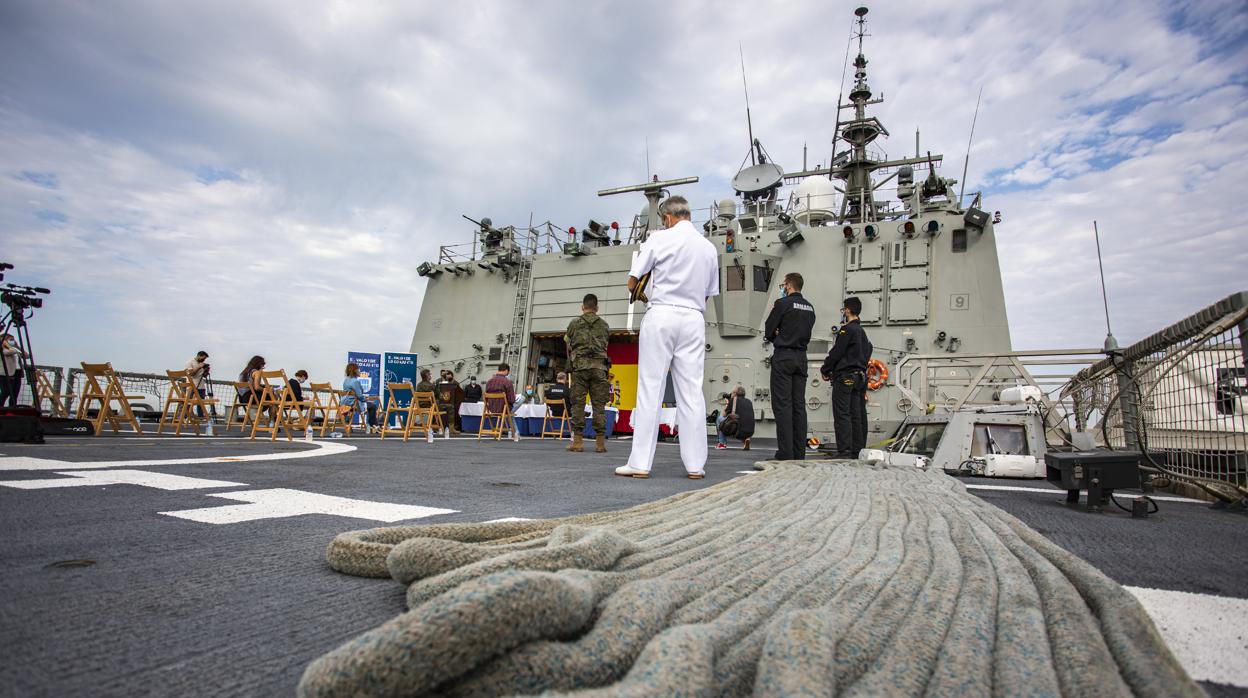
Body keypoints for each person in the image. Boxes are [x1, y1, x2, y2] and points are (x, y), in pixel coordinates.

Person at [617, 195, 719, 479]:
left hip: (661, 314)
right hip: (694, 318)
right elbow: (709, 295)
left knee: (651, 388)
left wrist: (643, 294)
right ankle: (696, 465)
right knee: (691, 392)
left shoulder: (659, 239)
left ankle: (640, 464)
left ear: (667, 218)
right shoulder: (709, 248)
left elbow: (632, 282)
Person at [764, 272, 817, 460]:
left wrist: (778, 336)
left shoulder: (782, 304)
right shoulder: (810, 308)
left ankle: (785, 453)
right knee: (799, 406)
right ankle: (798, 452)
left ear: (788, 285)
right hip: (801, 358)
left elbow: (768, 329)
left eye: (783, 285)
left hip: (784, 356)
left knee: (783, 406)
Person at [821, 296, 873, 457]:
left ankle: (844, 450)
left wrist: (826, 369)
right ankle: (858, 450)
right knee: (857, 414)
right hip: (859, 377)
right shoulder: (862, 332)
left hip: (845, 377)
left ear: (848, 310)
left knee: (843, 413)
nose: (843, 312)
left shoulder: (847, 330)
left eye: (844, 309)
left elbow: (837, 352)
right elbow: (869, 349)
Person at [564, 293, 611, 453]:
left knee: (578, 404)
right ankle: (600, 443)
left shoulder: (574, 323)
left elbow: (567, 340)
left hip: (580, 368)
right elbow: (605, 343)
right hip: (599, 368)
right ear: (597, 308)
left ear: (582, 307)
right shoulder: (604, 325)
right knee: (599, 406)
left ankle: (577, 442)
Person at [716, 386, 755, 450]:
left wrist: (728, 403)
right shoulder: (749, 401)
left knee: (719, 419)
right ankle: (746, 439)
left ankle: (722, 443)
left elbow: (723, 415)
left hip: (738, 430)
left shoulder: (733, 400)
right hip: (750, 431)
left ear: (735, 393)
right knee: (740, 422)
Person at [342, 362, 378, 433]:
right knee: (373, 406)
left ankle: (347, 422)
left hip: (345, 403)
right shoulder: (355, 382)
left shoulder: (345, 381)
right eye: (358, 369)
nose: (360, 371)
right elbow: (360, 396)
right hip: (353, 404)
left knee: (369, 405)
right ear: (355, 371)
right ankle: (372, 425)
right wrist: (365, 399)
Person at [485, 363, 517, 435]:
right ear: (506, 371)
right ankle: (515, 432)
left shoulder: (489, 382)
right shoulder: (508, 382)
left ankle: (505, 429)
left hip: (491, 409)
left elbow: (486, 397)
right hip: (503, 409)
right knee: (519, 400)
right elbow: (512, 400)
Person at [1, 334, 28, 407]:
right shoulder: (4, 349)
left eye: (13, 340)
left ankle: (12, 409)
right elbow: (7, 352)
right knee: (5, 392)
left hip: (17, 372)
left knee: (15, 393)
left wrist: (17, 346)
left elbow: (26, 355)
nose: (13, 341)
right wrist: (11, 347)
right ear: (5, 341)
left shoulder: (15, 349)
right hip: (7, 373)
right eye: (11, 340)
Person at [184, 351, 211, 416]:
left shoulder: (201, 364)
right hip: (191, 386)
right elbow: (191, 374)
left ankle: (200, 417)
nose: (203, 360)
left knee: (201, 403)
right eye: (203, 358)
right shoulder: (190, 362)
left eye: (205, 359)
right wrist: (198, 367)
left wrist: (206, 371)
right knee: (189, 402)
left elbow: (204, 376)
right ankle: (186, 416)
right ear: (199, 356)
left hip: (201, 386)